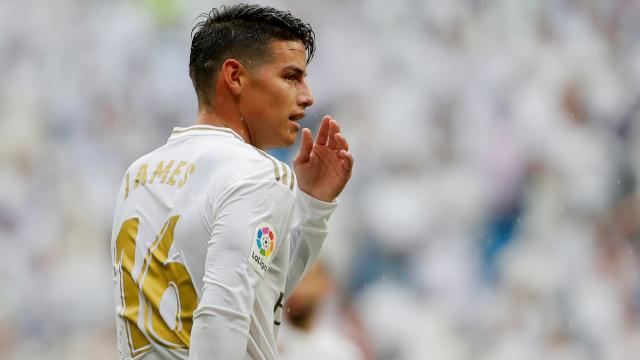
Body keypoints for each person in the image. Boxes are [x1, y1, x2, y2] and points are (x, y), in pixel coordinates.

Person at [109, 4, 353, 360]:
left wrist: (313, 206)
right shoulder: (257, 173)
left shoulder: (138, 174)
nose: (307, 96)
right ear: (235, 77)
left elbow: (257, 292)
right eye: (290, 76)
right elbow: (223, 314)